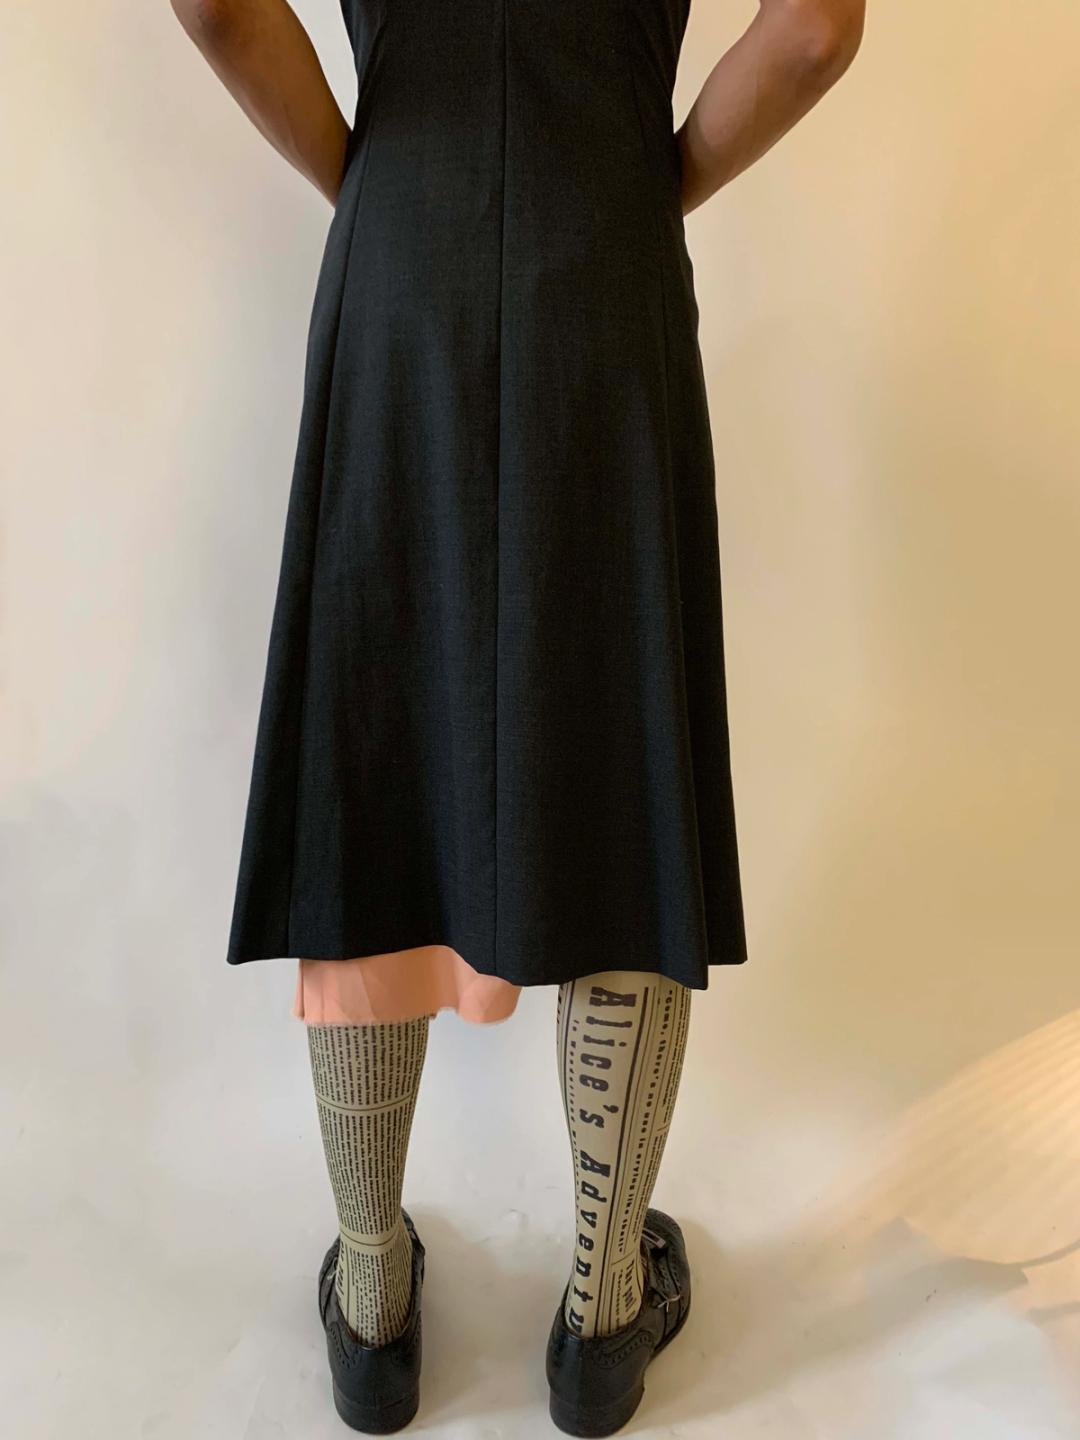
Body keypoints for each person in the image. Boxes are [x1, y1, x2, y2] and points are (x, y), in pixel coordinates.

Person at [171, 0, 864, 1431]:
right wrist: (637, 178)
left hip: (398, 257)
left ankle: (373, 1302)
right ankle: (604, 1316)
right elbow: (810, 32)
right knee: (619, 755)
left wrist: (382, 173)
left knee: (375, 749)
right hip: (604, 257)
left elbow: (217, 6)